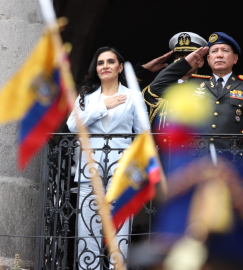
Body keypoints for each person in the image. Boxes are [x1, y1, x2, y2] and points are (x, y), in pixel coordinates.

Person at [66, 47, 150, 270]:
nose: (105, 66)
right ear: (96, 68)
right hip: (89, 169)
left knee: (120, 227)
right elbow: (72, 125)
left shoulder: (132, 96)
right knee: (87, 226)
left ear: (120, 67)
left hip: (120, 169)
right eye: (101, 62)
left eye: (110, 62)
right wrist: (103, 106)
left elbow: (143, 131)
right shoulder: (86, 97)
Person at [150, 32, 243, 147]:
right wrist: (185, 63)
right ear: (208, 59)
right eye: (214, 51)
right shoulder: (193, 84)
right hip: (197, 161)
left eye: (225, 50)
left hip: (233, 162)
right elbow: (156, 88)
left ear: (235, 58)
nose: (219, 55)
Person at [141, 32, 207, 129]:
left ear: (200, 62)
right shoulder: (157, 88)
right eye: (180, 57)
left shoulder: (208, 87)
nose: (185, 60)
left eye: (189, 55)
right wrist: (143, 70)